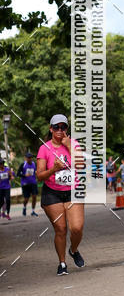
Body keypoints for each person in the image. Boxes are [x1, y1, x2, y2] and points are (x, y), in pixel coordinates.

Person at [36, 113, 85, 275]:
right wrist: (54, 169)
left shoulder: (74, 144)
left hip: (72, 190)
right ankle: (62, 263)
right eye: (56, 127)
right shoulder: (44, 148)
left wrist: (69, 145)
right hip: (52, 193)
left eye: (63, 127)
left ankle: (74, 249)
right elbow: (39, 176)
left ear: (66, 129)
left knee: (77, 228)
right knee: (61, 229)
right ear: (51, 129)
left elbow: (81, 165)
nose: (59, 130)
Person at [17, 151, 39, 216]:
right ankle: (24, 207)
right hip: (25, 184)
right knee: (26, 198)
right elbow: (18, 174)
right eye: (28, 157)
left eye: (31, 157)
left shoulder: (34, 164)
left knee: (34, 196)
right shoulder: (23, 164)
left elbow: (36, 171)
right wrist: (24, 175)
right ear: (26, 158)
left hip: (33, 183)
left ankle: (33, 211)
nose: (30, 159)